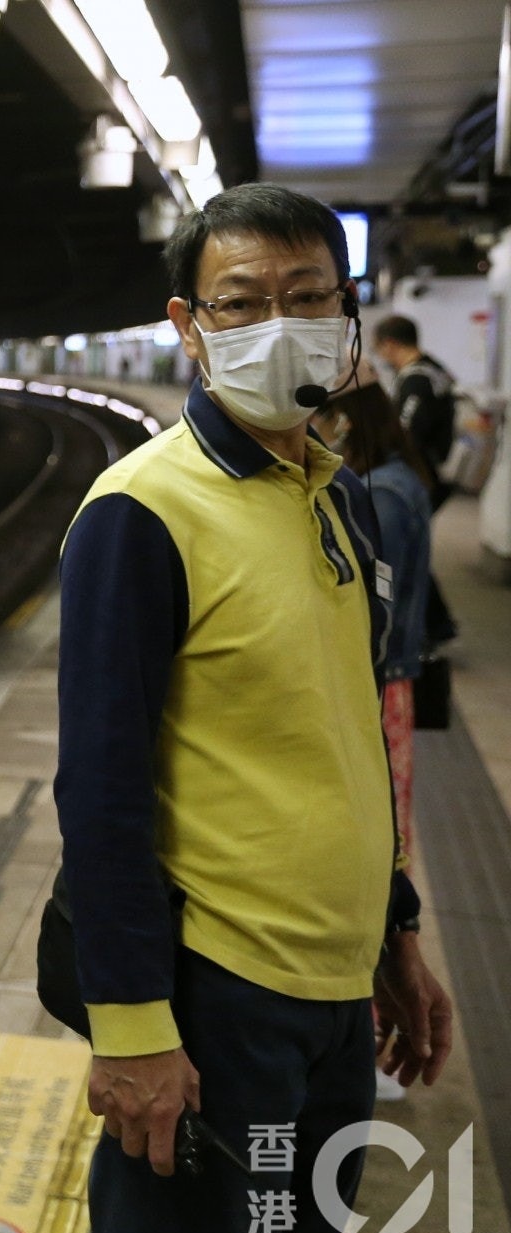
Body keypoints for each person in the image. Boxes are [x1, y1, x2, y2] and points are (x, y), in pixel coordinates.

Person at [49, 183, 451, 1233]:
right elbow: (101, 787)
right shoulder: (140, 514)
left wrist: (395, 931)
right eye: (241, 302)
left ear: (348, 312)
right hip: (219, 998)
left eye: (307, 294)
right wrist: (131, 1025)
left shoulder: (340, 498)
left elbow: (353, 733)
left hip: (334, 1001)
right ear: (189, 328)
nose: (279, 322)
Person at [317, 370, 435, 1105]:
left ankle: (367, 1023)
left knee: (378, 832)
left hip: (381, 678)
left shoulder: (379, 493)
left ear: (349, 420)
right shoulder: (401, 480)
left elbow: (370, 595)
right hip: (395, 676)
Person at [372, 315, 459, 646]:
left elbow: (408, 434)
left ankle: (434, 627)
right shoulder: (437, 370)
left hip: (422, 476)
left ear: (391, 344)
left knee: (409, 549)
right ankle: (438, 624)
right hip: (434, 473)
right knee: (415, 548)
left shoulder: (416, 380)